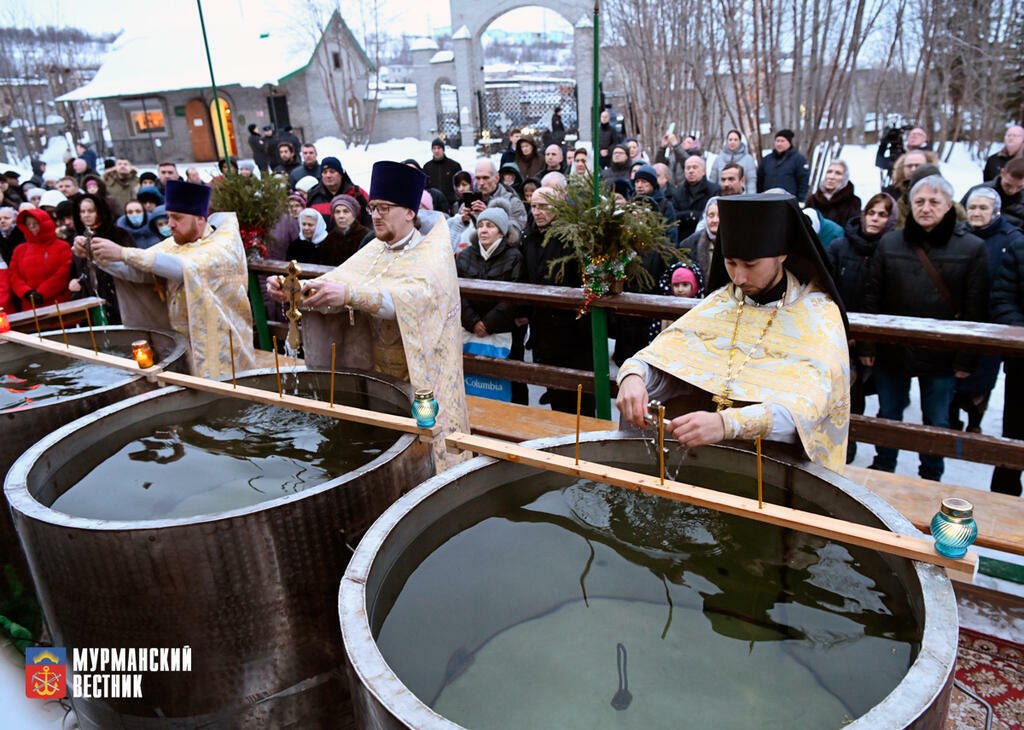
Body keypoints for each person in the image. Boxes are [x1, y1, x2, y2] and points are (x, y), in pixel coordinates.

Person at [616, 193, 850, 472]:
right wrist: (633, 375)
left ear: (782, 254)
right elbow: (663, 360)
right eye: (731, 262)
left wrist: (727, 424)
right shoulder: (722, 301)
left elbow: (806, 414)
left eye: (750, 265)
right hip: (701, 462)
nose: (738, 278)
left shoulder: (819, 316)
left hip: (775, 469)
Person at [268, 161, 470, 471]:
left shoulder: (432, 254)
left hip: (421, 381)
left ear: (409, 212)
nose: (374, 215)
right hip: (377, 378)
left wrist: (350, 295)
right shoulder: (374, 250)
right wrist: (295, 289)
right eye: (373, 207)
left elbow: (407, 301)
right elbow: (340, 281)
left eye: (384, 208)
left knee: (427, 461)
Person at [860, 175, 988, 481]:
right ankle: (883, 468)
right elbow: (872, 296)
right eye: (919, 201)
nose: (926, 208)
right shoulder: (891, 242)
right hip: (893, 349)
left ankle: (931, 475)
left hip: (942, 352)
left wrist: (966, 358)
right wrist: (867, 344)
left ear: (948, 206)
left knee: (936, 420)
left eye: (934, 202)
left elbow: (976, 306)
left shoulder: (971, 247)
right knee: (889, 415)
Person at [75, 179, 255, 378]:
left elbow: (182, 268)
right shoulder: (173, 244)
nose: (170, 224)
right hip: (185, 343)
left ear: (199, 218)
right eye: (168, 217)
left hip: (222, 343)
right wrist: (96, 255)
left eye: (177, 217)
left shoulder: (222, 245)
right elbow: (138, 272)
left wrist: (123, 253)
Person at [827, 192, 896, 461]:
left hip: (872, 339)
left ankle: (856, 447)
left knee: (861, 396)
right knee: (837, 392)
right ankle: (836, 448)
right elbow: (828, 290)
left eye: (882, 214)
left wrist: (865, 337)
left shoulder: (892, 250)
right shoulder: (840, 247)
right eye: (871, 212)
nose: (875, 219)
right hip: (838, 331)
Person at [949, 187, 1024, 434]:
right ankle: (951, 421)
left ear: (996, 211)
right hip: (960, 318)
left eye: (983, 208)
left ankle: (974, 422)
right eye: (972, 207)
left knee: (982, 378)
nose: (976, 212)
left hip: (992, 320)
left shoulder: (1011, 239)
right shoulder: (957, 235)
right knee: (954, 374)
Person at [989, 208, 1024, 496]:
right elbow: (1003, 297)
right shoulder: (1019, 246)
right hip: (1022, 360)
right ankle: (1005, 492)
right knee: (1015, 431)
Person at [456, 202, 524, 338]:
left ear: (501, 232)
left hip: (502, 330)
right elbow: (455, 291)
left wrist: (487, 324)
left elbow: (513, 297)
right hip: (469, 329)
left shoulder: (514, 257)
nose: (483, 230)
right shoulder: (465, 255)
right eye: (480, 226)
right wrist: (473, 322)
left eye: (490, 226)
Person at [68, 193, 136, 323]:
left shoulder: (119, 234)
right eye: (82, 211)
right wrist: (76, 281)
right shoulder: (79, 239)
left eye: (91, 211)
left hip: (118, 294)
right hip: (90, 297)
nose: (86, 215)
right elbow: (76, 269)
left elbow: (131, 261)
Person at [9, 209, 72, 309]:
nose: (31, 226)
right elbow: (13, 275)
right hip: (30, 306)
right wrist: (26, 292)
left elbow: (64, 273)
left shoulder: (62, 246)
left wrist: (43, 292)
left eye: (35, 223)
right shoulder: (19, 250)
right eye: (28, 224)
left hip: (59, 305)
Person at [962, 157, 1024, 229]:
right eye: (1008, 185)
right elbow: (959, 217)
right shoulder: (978, 191)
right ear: (1002, 173)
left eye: (1019, 187)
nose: (1012, 191)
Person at [307, 157, 370, 225]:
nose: (328, 175)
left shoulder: (357, 193)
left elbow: (371, 217)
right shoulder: (313, 195)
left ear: (341, 174)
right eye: (324, 172)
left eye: (332, 171)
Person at [673, 156, 720, 240]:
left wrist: (689, 216)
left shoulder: (714, 191)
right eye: (688, 168)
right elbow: (674, 217)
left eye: (695, 167)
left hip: (706, 239)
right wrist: (691, 215)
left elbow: (712, 216)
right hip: (683, 240)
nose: (691, 171)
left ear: (704, 171)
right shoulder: (678, 193)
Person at [805, 160, 861, 227]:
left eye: (838, 173)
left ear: (845, 178)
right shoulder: (813, 200)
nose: (831, 177)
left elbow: (852, 229)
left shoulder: (853, 202)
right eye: (829, 172)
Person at [757, 129, 809, 199]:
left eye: (782, 141)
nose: (779, 144)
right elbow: (760, 180)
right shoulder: (767, 159)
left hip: (788, 200)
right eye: (777, 141)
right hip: (768, 199)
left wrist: (801, 199)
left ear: (789, 143)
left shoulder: (798, 159)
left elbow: (803, 182)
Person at [634, 164, 677, 245]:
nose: (639, 185)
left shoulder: (665, 205)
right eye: (637, 182)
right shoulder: (631, 204)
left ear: (653, 183)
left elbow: (671, 236)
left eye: (644, 181)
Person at [680, 197, 719, 287]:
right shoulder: (689, 245)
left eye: (720, 216)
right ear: (705, 217)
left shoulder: (735, 243)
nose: (715, 220)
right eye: (711, 215)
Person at [321, 195, 369, 266]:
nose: (341, 216)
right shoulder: (330, 238)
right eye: (337, 212)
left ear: (354, 214)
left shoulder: (365, 235)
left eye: (346, 211)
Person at [422, 137, 462, 208]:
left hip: (451, 204)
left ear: (443, 149)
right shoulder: (427, 167)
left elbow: (460, 185)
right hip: (434, 205)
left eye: (439, 148)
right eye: (434, 148)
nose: (436, 151)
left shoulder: (454, 166)